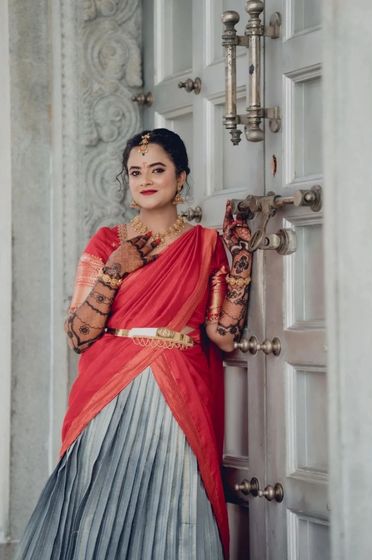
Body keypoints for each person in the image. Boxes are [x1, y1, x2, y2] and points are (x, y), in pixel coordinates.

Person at [15, 128, 253, 560]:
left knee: (176, 498)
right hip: (110, 388)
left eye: (157, 169)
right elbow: (79, 335)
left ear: (181, 178)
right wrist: (114, 269)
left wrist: (240, 264)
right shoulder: (107, 242)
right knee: (99, 501)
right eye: (136, 171)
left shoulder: (204, 245)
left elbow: (222, 335)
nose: (145, 179)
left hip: (178, 387)